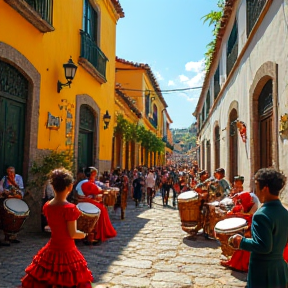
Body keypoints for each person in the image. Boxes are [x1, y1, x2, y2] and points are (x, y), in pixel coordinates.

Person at [21, 167, 93, 288]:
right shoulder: (70, 209)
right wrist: (84, 233)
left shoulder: (47, 206)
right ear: (70, 187)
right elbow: (72, 233)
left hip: (52, 249)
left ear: (53, 186)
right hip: (67, 250)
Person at [230, 168, 288, 288]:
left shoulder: (261, 215)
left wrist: (241, 241)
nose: (255, 192)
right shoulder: (284, 212)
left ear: (265, 189)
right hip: (279, 269)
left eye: (256, 187)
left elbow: (263, 246)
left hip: (263, 272)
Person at [80, 167, 117, 243]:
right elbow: (99, 191)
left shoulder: (86, 182)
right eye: (94, 174)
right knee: (102, 208)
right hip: (86, 201)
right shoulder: (87, 183)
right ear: (91, 175)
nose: (95, 176)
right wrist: (107, 191)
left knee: (101, 206)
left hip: (86, 200)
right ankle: (99, 232)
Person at [0, 166, 25, 245]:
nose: (9, 173)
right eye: (8, 172)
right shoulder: (4, 178)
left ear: (14, 172)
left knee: (16, 216)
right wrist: (3, 190)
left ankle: (13, 237)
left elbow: (20, 188)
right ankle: (6, 238)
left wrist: (13, 182)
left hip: (16, 198)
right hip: (7, 199)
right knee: (6, 218)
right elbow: (1, 186)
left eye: (11, 172)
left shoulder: (18, 177)